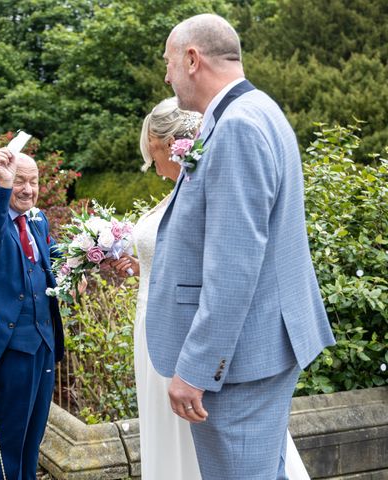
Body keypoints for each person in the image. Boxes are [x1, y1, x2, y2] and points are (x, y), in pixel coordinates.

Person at [136, 14, 336, 479]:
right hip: (265, 337)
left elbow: (233, 265)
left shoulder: (237, 126)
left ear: (192, 59)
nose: (166, 75)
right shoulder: (258, 108)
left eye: (168, 63)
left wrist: (198, 368)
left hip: (243, 357)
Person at [110, 97, 312, 479]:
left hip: (187, 335)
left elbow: (226, 268)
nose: (153, 166)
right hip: (154, 326)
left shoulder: (206, 186)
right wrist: (140, 267)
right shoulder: (179, 194)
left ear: (173, 145)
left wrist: (199, 364)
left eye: (154, 153)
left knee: (212, 439)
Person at [0, 148, 64, 480]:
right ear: (3, 180)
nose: (28, 189)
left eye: (33, 182)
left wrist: (88, 254)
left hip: (44, 340)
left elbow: (51, 258)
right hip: (11, 343)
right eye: (20, 181)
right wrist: (3, 187)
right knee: (9, 434)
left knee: (34, 435)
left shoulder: (38, 218)